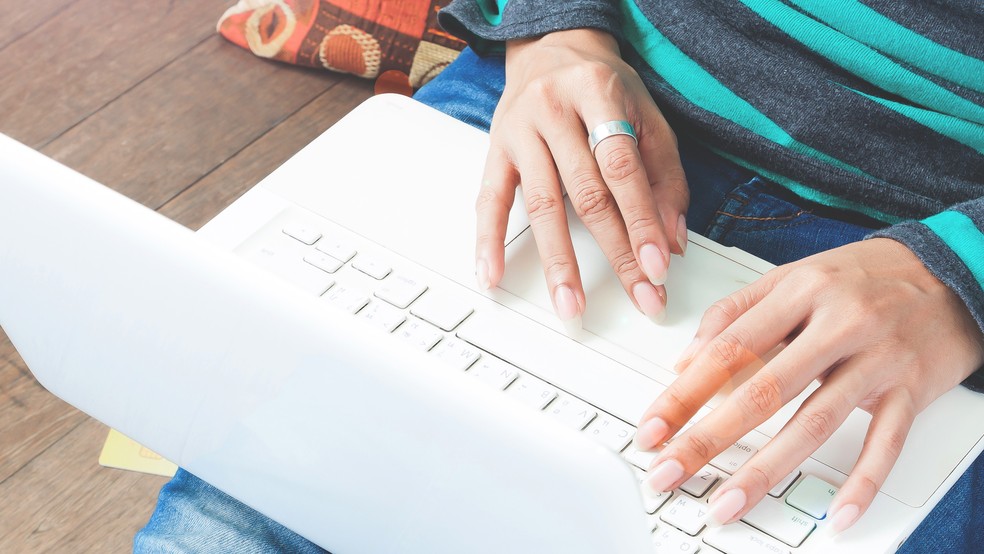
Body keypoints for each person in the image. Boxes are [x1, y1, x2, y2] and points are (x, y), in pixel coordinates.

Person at [135, 1, 984, 551]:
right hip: (586, 84)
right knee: (237, 528)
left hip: (934, 256)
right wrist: (549, 32)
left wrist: (957, 276)